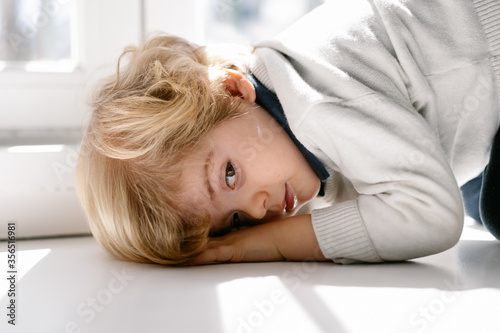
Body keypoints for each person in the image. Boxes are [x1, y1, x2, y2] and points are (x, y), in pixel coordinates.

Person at [76, 0, 500, 266]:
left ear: (231, 89)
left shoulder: (315, 102)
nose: (260, 214)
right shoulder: (282, 121)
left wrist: (273, 244)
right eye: (236, 221)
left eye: (228, 175)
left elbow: (432, 216)